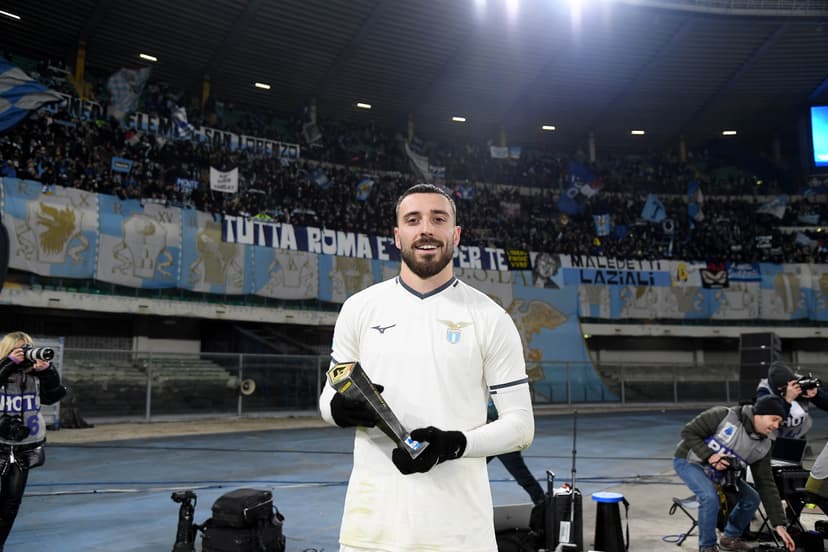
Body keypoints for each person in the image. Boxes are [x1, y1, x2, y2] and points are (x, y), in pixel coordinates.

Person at [319, 183, 534, 551]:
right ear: (397, 235)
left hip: (459, 534)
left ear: (456, 234)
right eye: (413, 220)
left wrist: (454, 444)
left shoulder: (491, 318)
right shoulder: (359, 308)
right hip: (370, 532)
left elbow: (521, 427)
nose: (426, 230)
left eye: (438, 219)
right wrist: (340, 409)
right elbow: (328, 399)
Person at [672, 395, 795, 552]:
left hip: (720, 471)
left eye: (779, 422)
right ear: (759, 414)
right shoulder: (723, 416)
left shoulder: (764, 445)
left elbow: (766, 483)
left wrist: (779, 524)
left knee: (752, 498)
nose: (776, 426)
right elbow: (688, 432)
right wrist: (709, 455)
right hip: (690, 461)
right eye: (774, 419)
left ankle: (729, 538)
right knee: (709, 497)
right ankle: (707, 546)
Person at [0, 331, 66, 550]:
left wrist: (48, 371)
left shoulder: (35, 376)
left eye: (27, 349)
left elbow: (53, 396)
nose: (24, 354)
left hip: (24, 447)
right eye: (19, 350)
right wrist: (8, 364)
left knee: (11, 503)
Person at [486, 400, 544, 505]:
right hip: (488, 439)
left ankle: (542, 503)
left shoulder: (504, 398)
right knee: (470, 470)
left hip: (505, 442)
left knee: (522, 476)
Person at [755, 362, 828, 439]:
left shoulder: (799, 381)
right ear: (779, 388)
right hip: (775, 436)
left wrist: (816, 395)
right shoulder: (764, 390)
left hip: (799, 430)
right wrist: (788, 399)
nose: (792, 388)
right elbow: (770, 418)